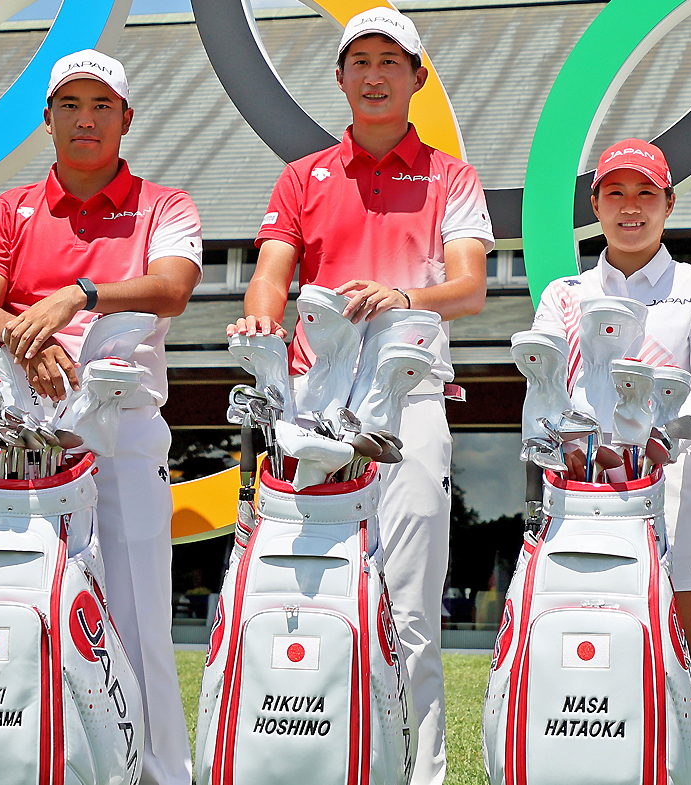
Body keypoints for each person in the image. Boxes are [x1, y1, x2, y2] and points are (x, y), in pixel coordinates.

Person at [227, 8, 492, 784]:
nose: (374, 74)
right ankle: (312, 759)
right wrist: (260, 317)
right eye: (360, 61)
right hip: (313, 405)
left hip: (409, 399)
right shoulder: (301, 176)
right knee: (307, 594)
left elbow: (470, 286)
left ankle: (421, 772)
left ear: (418, 76)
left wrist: (405, 297)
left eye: (391, 61)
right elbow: (272, 273)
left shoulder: (451, 174)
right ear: (340, 77)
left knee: (409, 607)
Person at [0, 50, 203, 785]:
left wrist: (79, 295)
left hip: (122, 429)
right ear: (48, 119)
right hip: (20, 429)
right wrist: (22, 340)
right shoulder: (9, 208)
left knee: (135, 622)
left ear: (126, 119)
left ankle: (160, 774)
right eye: (71, 105)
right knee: (12, 608)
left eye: (102, 105)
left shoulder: (167, 205)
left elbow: (171, 290)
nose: (86, 119)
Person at [530, 138, 691, 737]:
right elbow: (547, 385)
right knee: (587, 634)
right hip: (583, 490)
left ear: (668, 203)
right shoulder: (564, 296)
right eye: (615, 193)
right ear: (594, 205)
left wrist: (673, 434)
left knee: (684, 651)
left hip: (675, 480)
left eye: (646, 193)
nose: (631, 207)